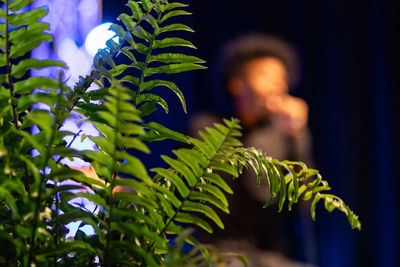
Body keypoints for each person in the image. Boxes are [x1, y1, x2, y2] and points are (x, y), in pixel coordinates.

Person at [189, 34, 317, 267]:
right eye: (267, 76)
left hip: (270, 256)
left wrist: (297, 136)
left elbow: (304, 206)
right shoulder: (206, 128)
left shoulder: (284, 135)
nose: (278, 86)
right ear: (237, 84)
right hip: (218, 253)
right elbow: (250, 188)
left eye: (282, 79)